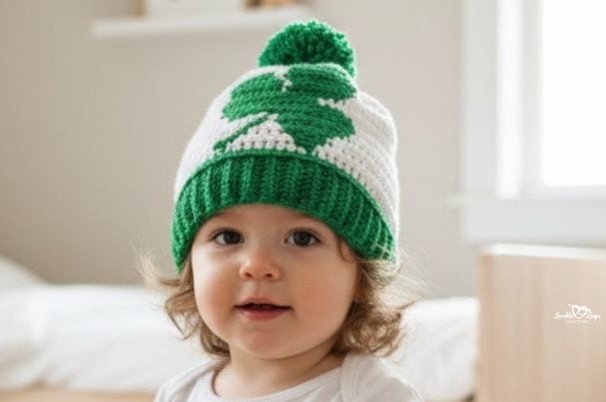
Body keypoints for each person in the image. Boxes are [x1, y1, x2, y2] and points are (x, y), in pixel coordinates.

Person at [151, 19, 424, 401]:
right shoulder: (178, 394)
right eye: (228, 236)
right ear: (190, 265)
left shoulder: (370, 393)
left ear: (362, 277)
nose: (257, 264)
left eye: (302, 237)